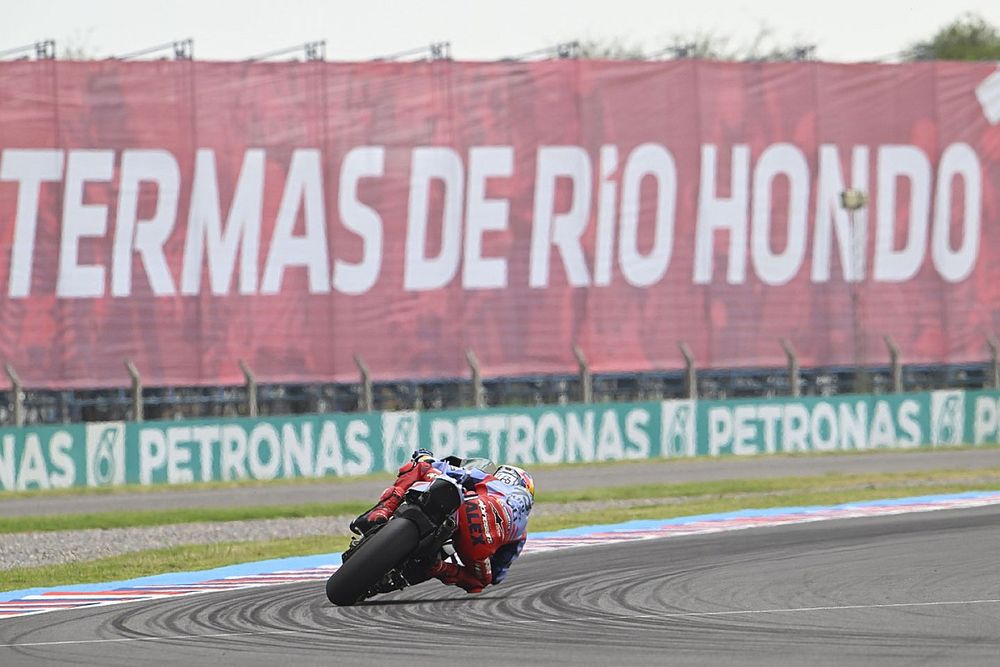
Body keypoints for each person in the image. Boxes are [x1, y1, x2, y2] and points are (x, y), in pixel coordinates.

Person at [350, 449, 534, 594]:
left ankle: (384, 509)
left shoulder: (490, 480)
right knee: (481, 581)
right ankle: (437, 567)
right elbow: (497, 575)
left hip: (470, 507)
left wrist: (425, 457)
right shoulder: (522, 530)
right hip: (480, 545)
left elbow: (449, 471)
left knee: (420, 467)